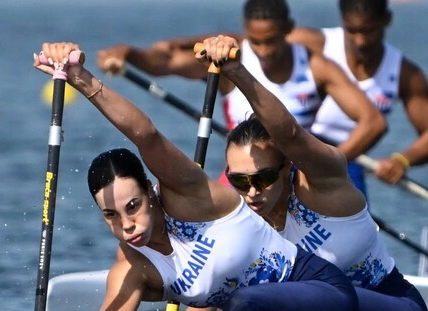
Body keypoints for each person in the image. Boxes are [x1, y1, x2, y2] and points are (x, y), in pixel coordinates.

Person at [19, 42, 370, 311]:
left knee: (244, 305)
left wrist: (82, 79)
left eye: (133, 206)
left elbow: (146, 134)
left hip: (323, 295)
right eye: (111, 215)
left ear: (152, 190)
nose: (126, 224)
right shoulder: (134, 264)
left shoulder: (187, 196)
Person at [150, 36, 428, 311]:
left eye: (264, 177)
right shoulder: (245, 221)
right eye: (240, 181)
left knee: (314, 301)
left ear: (288, 168)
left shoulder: (324, 186)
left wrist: (235, 70)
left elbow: (290, 132)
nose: (253, 192)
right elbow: (221, 296)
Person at [96, 0, 387, 189]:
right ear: (247, 33)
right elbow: (166, 62)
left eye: (272, 41)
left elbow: (372, 122)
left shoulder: (316, 66)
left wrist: (323, 165)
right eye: (256, 42)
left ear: (288, 29)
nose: (264, 52)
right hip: (242, 178)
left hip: (298, 178)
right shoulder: (230, 60)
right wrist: (128, 53)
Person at [287, 0, 428, 188]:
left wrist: (401, 160)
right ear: (342, 21)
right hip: (298, 149)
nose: (360, 41)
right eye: (352, 31)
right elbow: (254, 47)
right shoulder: (307, 42)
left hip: (350, 160)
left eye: (369, 30)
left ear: (387, 20)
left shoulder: (406, 74)